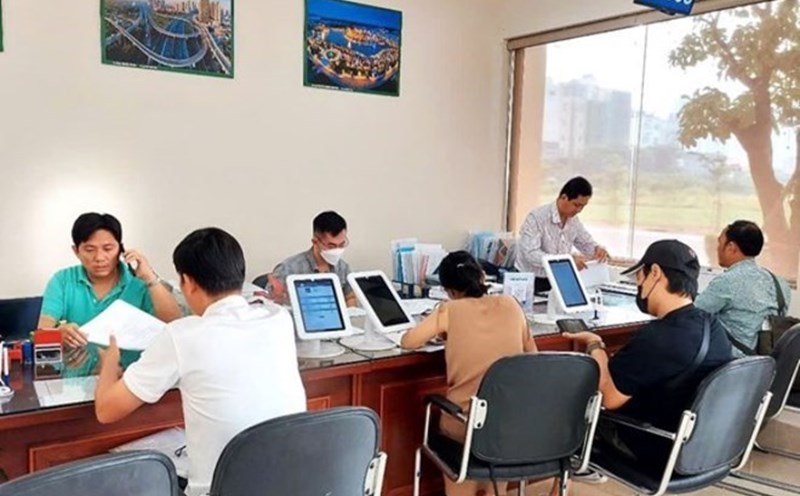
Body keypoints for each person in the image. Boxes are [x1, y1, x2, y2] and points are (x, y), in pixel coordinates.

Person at [94, 227, 307, 496]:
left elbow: (106, 410)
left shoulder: (183, 335)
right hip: (293, 483)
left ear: (188, 283)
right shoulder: (278, 319)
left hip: (220, 490)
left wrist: (110, 363)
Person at [564, 240, 733, 470]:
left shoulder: (660, 337)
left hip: (650, 446)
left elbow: (610, 398)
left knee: (563, 407)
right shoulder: (713, 327)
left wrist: (596, 346)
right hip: (698, 449)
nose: (639, 287)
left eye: (639, 278)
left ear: (655, 273)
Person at [401, 251, 539, 496]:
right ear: (482, 276)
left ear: (449, 291)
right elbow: (533, 358)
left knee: (456, 431)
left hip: (466, 423)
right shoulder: (510, 304)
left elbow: (409, 341)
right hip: (512, 425)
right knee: (496, 445)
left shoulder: (449, 310)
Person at [38, 212, 181, 348]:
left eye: (108, 249)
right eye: (89, 250)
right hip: (78, 372)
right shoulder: (62, 281)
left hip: (130, 371)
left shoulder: (139, 280)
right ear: (76, 251)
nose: (99, 257)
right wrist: (59, 335)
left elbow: (174, 324)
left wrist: (150, 277)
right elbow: (41, 334)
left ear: (121, 249)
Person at [696, 220, 792, 356]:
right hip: (766, 367)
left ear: (731, 247)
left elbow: (691, 315)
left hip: (729, 367)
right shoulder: (781, 284)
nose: (717, 248)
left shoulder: (727, 281)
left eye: (719, 242)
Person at [515, 177, 609, 293]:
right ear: (563, 197)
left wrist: (597, 249)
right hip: (531, 281)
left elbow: (585, 242)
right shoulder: (537, 218)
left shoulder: (573, 221)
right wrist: (566, 261)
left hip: (558, 280)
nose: (579, 210)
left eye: (583, 206)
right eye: (576, 205)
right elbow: (531, 254)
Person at [269, 210, 356, 306]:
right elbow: (268, 303)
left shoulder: (343, 268)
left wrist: (350, 313)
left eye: (342, 245)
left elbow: (350, 297)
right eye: (331, 246)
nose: (337, 250)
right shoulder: (289, 268)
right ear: (315, 242)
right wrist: (277, 297)